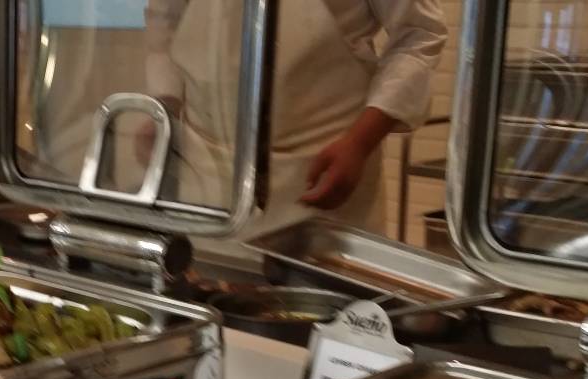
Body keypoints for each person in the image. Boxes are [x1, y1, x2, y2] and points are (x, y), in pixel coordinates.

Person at [142, 0, 447, 236]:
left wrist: (359, 143)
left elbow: (419, 34)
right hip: (204, 179)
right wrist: (165, 108)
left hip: (320, 178)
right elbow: (165, 18)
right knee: (204, 289)